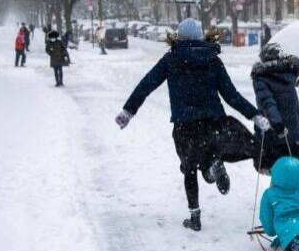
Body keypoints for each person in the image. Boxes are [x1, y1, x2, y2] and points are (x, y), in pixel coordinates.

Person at [114, 18, 271, 232]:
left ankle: (195, 218)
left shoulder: (171, 59)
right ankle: (213, 165)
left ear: (178, 38)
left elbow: (147, 84)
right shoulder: (213, 60)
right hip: (213, 122)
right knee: (208, 153)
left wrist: (128, 111)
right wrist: (255, 115)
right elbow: (231, 95)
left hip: (185, 125)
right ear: (201, 36)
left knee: (188, 168)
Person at [251, 43, 299, 172]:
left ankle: (279, 183)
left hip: (274, 133)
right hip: (292, 131)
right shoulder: (288, 73)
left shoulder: (261, 78)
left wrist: (277, 124)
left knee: (277, 170)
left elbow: (268, 103)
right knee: (290, 169)